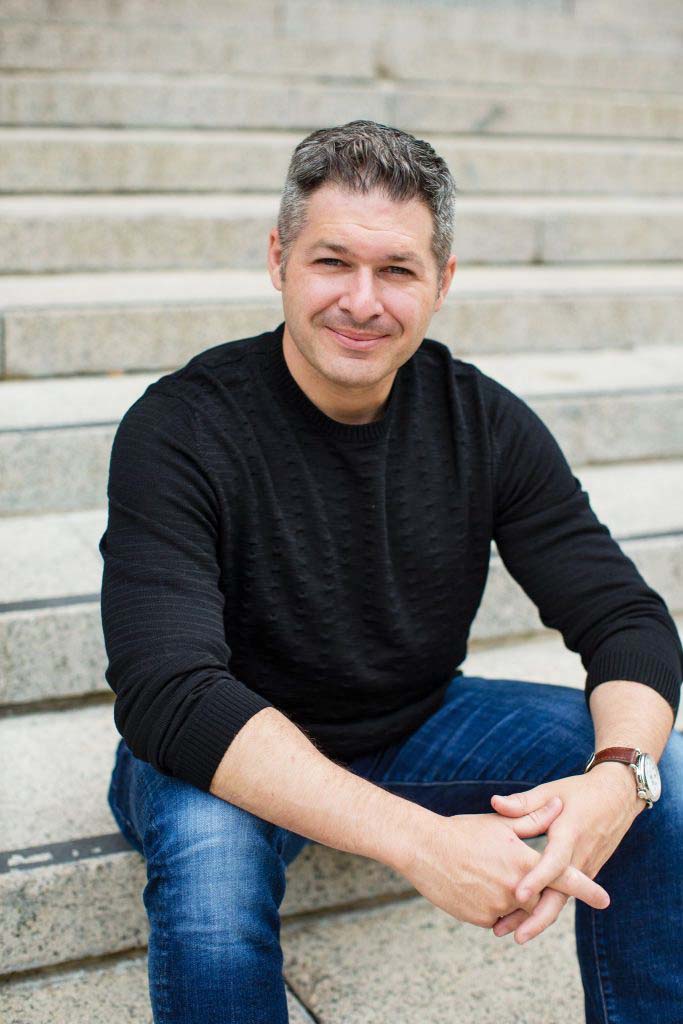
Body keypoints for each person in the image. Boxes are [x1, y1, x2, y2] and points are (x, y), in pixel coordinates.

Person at [101, 120, 683, 1024]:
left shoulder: (483, 422)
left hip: (412, 725)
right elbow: (168, 691)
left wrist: (616, 778)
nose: (361, 302)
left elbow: (626, 622)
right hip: (226, 742)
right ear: (279, 260)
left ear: (442, 282)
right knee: (212, 883)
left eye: (398, 271)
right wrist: (421, 845)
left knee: (662, 775)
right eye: (332, 262)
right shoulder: (180, 428)